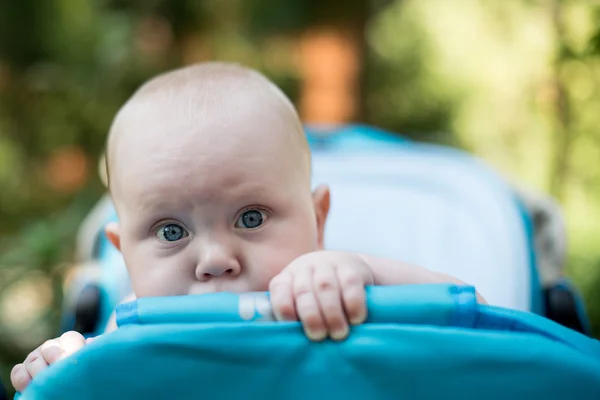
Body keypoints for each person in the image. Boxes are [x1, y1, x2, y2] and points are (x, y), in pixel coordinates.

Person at [11, 62, 485, 392]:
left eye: (251, 218)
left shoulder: (337, 298)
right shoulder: (132, 328)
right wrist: (69, 366)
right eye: (171, 232)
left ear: (317, 222)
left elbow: (481, 323)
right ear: (122, 250)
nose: (216, 260)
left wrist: (368, 274)